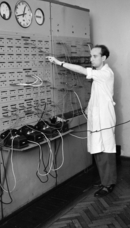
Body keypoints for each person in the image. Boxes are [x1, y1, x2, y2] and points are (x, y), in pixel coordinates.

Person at [46, 45, 117, 197]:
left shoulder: (105, 73)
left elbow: (82, 70)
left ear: (103, 58)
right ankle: (105, 180)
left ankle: (109, 184)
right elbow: (97, 94)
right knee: (97, 149)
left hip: (104, 117)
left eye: (95, 56)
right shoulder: (99, 74)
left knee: (106, 151)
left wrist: (59, 63)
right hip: (96, 115)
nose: (91, 59)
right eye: (91, 56)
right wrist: (89, 108)